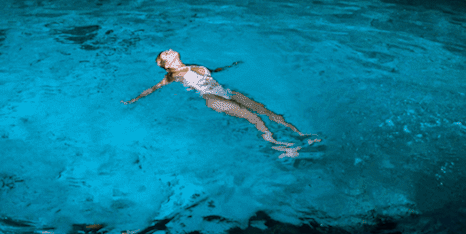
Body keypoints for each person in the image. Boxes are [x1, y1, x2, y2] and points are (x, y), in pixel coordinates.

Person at [121, 49, 320, 157]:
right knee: (252, 117)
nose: (169, 50)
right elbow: (152, 89)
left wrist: (232, 65)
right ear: (166, 65)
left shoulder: (194, 65)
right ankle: (279, 145)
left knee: (268, 112)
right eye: (165, 54)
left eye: (169, 50)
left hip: (225, 91)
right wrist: (133, 100)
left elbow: (214, 71)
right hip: (211, 98)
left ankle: (302, 135)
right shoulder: (172, 76)